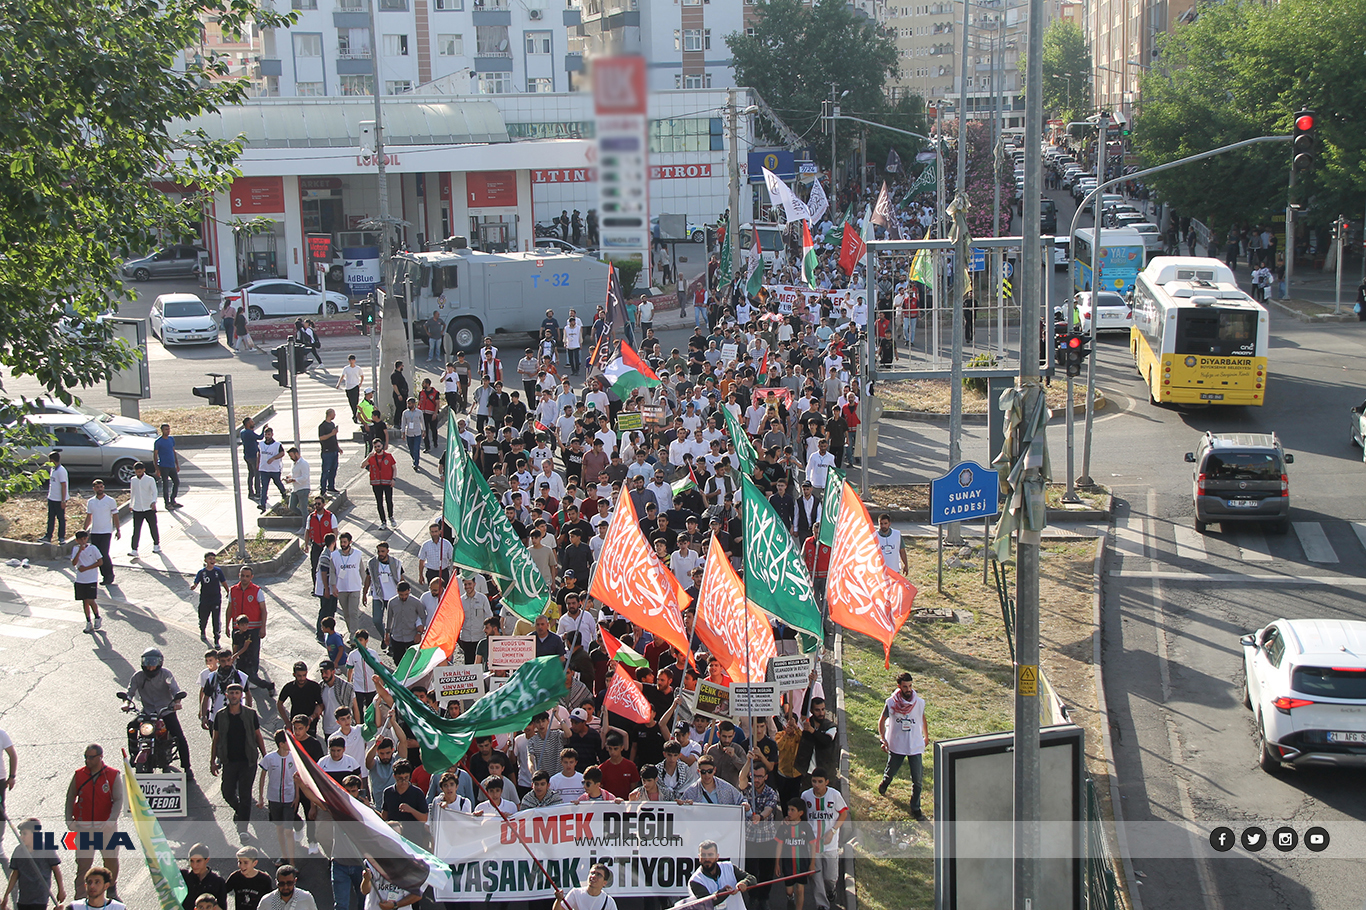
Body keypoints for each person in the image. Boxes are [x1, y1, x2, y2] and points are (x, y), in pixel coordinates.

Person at [65, 745, 123, 899]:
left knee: (110, 860)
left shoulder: (111, 775)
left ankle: (111, 890)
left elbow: (118, 800)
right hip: (84, 828)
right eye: (86, 756)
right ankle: (80, 898)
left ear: (100, 757)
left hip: (106, 828)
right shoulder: (79, 775)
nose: (87, 760)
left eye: (91, 757)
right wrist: (69, 819)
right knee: (83, 865)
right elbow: (71, 797)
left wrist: (111, 821)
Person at [127, 647, 193, 777]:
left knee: (179, 737)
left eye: (153, 663)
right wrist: (126, 703)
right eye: (147, 663)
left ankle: (187, 768)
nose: (150, 667)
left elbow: (174, 690)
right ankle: (134, 754)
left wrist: (177, 702)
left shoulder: (166, 674)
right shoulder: (138, 676)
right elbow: (130, 692)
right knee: (131, 727)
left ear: (159, 663)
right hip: (147, 712)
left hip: (165, 711)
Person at [210, 683, 266, 835]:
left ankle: (243, 830)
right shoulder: (220, 715)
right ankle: (240, 811)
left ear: (241, 695)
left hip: (248, 761)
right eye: (231, 693)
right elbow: (216, 739)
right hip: (229, 761)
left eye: (237, 693)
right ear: (226, 695)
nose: (234, 695)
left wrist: (265, 755)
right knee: (227, 792)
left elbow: (257, 735)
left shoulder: (250, 714)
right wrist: (212, 761)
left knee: (245, 794)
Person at [877, 671, 928, 818]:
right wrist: (883, 738)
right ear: (899, 687)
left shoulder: (918, 702)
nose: (908, 690)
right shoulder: (891, 702)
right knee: (891, 770)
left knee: (917, 780)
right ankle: (885, 782)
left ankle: (916, 807)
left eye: (910, 686)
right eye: (905, 687)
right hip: (897, 743)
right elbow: (882, 720)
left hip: (914, 744)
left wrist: (926, 736)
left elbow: (922, 718)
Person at [800, 769, 848, 909]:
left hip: (830, 844)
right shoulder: (806, 796)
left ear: (826, 782)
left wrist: (832, 831)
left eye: (820, 781)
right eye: (814, 781)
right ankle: (822, 905)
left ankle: (831, 889)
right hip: (812, 845)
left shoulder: (834, 795)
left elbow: (844, 813)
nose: (816, 784)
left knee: (830, 877)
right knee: (816, 877)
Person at [257, 730, 300, 865]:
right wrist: (260, 797)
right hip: (274, 798)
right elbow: (262, 777)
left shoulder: (294, 757)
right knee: (279, 829)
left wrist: (297, 796)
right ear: (281, 744)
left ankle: (292, 862)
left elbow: (297, 778)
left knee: (288, 831)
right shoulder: (269, 758)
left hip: (289, 798)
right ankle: (284, 855)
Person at [4, 819, 65, 910]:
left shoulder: (46, 849)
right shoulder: (18, 851)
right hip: (24, 898)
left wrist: (61, 890)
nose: (21, 837)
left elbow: (56, 870)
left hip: (40, 898)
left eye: (24, 834)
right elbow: (15, 873)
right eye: (20, 833)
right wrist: (6, 895)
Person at [688, 839, 753, 910]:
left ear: (717, 856)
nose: (706, 858)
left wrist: (744, 883)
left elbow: (751, 878)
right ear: (699, 857)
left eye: (710, 855)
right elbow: (707, 903)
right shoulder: (695, 880)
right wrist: (724, 892)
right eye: (703, 855)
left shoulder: (729, 867)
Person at [772, 801, 813, 910]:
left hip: (802, 863)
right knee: (789, 890)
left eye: (792, 810)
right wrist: (777, 863)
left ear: (800, 813)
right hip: (788, 864)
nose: (789, 812)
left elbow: (812, 845)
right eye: (788, 809)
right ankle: (790, 898)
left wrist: (812, 863)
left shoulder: (806, 827)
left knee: (800, 889)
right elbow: (779, 845)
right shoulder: (783, 827)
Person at [83, 479, 119, 586]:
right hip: (95, 532)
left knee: (104, 553)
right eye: (97, 487)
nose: (99, 489)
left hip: (106, 531)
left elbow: (115, 515)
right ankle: (104, 575)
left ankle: (109, 575)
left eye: (101, 487)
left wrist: (118, 529)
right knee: (97, 555)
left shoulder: (110, 500)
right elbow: (89, 516)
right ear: (94, 488)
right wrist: (84, 530)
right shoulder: (91, 502)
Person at [191, 551, 230, 647]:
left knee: (216, 620)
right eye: (210, 559)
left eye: (213, 559)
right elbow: (196, 582)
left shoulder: (218, 571)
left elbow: (223, 582)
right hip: (205, 599)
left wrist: (228, 592)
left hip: (216, 599)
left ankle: (216, 639)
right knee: (203, 617)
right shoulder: (202, 572)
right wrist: (193, 586)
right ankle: (202, 630)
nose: (212, 561)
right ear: (206, 560)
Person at [71, 530, 105, 633]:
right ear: (77, 540)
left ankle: (97, 617)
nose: (83, 541)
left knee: (90, 600)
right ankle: (88, 622)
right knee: (84, 601)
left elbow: (100, 562)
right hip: (80, 580)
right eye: (80, 540)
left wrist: (86, 568)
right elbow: (74, 563)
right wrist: (79, 551)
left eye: (84, 539)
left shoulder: (93, 548)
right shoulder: (75, 549)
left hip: (91, 579)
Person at [181, 845, 229, 910]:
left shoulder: (217, 882)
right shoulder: (182, 877)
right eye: (192, 861)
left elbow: (222, 907)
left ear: (207, 860)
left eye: (198, 861)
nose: (194, 865)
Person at [363, 439, 397, 529]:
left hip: (387, 482)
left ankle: (391, 517)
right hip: (376, 483)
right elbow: (362, 465)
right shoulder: (372, 457)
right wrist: (368, 457)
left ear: (382, 446)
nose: (377, 448)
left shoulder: (388, 456)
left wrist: (393, 479)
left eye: (378, 446)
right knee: (379, 502)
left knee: (389, 501)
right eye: (375, 447)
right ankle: (383, 521)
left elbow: (394, 468)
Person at [38, 451, 69, 545]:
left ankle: (61, 537)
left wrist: (63, 500)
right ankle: (48, 536)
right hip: (52, 498)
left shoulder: (61, 471)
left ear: (52, 460)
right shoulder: (53, 469)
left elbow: (64, 486)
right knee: (51, 518)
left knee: (61, 518)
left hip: (59, 499)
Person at [256, 427, 287, 513]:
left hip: (274, 469)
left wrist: (273, 458)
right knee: (264, 487)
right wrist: (257, 464)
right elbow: (259, 453)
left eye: (269, 434)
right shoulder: (261, 444)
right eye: (266, 434)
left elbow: (282, 453)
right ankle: (262, 504)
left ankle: (284, 494)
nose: (267, 436)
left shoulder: (277, 445)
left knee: (277, 482)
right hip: (264, 469)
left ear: (272, 435)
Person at [153, 423, 182, 509]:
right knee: (165, 484)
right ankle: (167, 503)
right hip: (163, 466)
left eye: (168, 429)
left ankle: (173, 500)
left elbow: (173, 451)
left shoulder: (171, 439)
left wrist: (177, 464)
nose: (168, 431)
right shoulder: (158, 442)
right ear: (162, 430)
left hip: (171, 465)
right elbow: (155, 456)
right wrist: (157, 469)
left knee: (176, 482)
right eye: (166, 429)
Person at [318, 409, 342, 496]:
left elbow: (334, 438)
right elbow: (321, 437)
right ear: (329, 414)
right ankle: (323, 489)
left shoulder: (332, 424)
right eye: (333, 414)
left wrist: (338, 448)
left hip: (334, 450)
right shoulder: (322, 426)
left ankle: (331, 487)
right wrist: (331, 434)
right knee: (325, 470)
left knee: (333, 469)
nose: (334, 415)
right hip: (327, 451)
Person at [240, 418, 263, 499]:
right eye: (252, 422)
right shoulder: (249, 432)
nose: (253, 423)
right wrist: (264, 429)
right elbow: (260, 437)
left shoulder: (243, 432)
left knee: (251, 474)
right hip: (253, 456)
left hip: (247, 456)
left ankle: (250, 492)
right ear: (248, 424)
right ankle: (258, 492)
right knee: (257, 474)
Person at [338, 355, 365, 424]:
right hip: (348, 387)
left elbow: (362, 376)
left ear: (354, 360)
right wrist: (339, 384)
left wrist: (360, 384)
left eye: (353, 360)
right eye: (350, 360)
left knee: (355, 402)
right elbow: (342, 376)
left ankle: (355, 416)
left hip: (355, 386)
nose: (351, 361)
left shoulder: (358, 368)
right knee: (351, 402)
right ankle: (354, 414)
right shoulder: (346, 368)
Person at [400, 397, 424, 470]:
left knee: (416, 448)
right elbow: (403, 423)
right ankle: (414, 458)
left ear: (414, 404)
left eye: (410, 404)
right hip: (409, 433)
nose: (408, 405)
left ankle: (416, 463)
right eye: (408, 403)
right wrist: (403, 433)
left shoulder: (419, 412)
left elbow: (422, 422)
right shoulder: (405, 413)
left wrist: (424, 431)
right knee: (411, 449)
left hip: (417, 433)